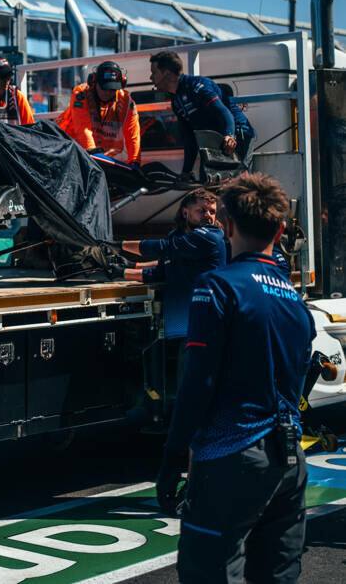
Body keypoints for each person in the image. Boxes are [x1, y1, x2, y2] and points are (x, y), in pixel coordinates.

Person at [156, 172, 313, 583]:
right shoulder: (295, 301)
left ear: (225, 225)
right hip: (290, 458)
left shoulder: (218, 286)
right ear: (280, 230)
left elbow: (198, 380)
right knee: (276, 575)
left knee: (209, 571)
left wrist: (174, 455)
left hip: (233, 454)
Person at [110, 188, 227, 423]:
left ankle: (196, 446)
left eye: (212, 211)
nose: (208, 215)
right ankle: (190, 441)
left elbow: (163, 249)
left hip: (206, 327)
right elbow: (162, 270)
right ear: (185, 212)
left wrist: (116, 244)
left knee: (196, 392)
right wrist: (121, 271)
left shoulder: (209, 236)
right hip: (188, 328)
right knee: (187, 388)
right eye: (201, 210)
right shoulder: (180, 238)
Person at [149, 51, 255, 177]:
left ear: (167, 73)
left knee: (236, 184)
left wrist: (230, 135)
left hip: (237, 133)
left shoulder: (198, 86)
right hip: (214, 140)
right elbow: (190, 139)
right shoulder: (176, 100)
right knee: (207, 181)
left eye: (154, 73)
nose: (151, 78)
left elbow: (223, 113)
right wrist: (186, 172)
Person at [57, 60, 141, 165]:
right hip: (69, 149)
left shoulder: (126, 102)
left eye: (112, 89)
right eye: (104, 88)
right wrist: (92, 153)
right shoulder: (81, 94)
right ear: (94, 82)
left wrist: (135, 161)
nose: (108, 93)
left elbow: (133, 135)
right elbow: (83, 128)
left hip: (101, 157)